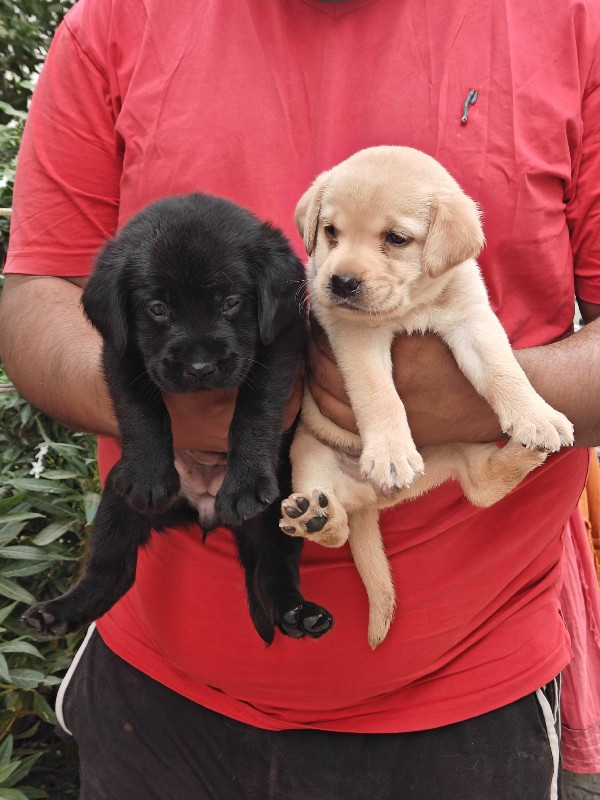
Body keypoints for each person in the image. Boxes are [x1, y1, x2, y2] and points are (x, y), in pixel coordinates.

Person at [1, 0, 600, 797]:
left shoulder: (574, 26)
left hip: (464, 698)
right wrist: (169, 403)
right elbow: (36, 293)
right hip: (158, 693)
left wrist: (470, 399)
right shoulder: (114, 24)